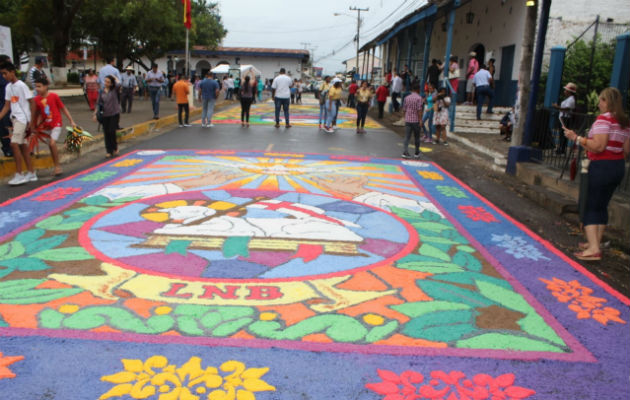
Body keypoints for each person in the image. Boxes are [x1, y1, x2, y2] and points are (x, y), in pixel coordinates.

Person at [562, 87, 630, 261]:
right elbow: (626, 150)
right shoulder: (624, 123)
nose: (599, 104)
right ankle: (595, 242)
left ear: (607, 101)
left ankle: (593, 248)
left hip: (601, 167)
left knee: (591, 205)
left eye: (601, 100)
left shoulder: (603, 120)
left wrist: (576, 138)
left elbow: (599, 146)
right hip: (617, 166)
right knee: (602, 205)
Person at [0, 61, 37, 185]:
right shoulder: (8, 87)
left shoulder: (21, 86)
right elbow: (7, 105)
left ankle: (19, 174)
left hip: (22, 119)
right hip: (15, 119)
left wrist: (31, 121)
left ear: (12, 72)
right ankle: (31, 172)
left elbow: (32, 102)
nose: (4, 76)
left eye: (5, 73)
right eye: (2, 74)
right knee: (22, 147)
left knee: (14, 144)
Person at [32, 77, 76, 175]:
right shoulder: (36, 99)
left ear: (46, 86)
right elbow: (37, 114)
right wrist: (34, 126)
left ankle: (57, 166)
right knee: (51, 147)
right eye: (36, 87)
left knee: (52, 143)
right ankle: (56, 165)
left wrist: (71, 121)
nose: (37, 89)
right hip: (45, 126)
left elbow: (63, 108)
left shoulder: (54, 96)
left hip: (56, 123)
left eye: (39, 86)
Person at [93, 75, 121, 158]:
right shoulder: (102, 91)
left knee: (112, 131)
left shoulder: (114, 90)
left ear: (112, 83)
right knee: (106, 133)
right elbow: (99, 103)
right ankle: (108, 150)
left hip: (114, 114)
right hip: (105, 114)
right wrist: (95, 113)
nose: (106, 83)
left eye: (108, 82)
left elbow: (119, 84)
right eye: (105, 81)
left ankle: (115, 148)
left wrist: (114, 76)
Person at [553, 82, 577, 154]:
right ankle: (561, 148)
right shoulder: (569, 99)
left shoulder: (571, 100)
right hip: (563, 118)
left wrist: (557, 107)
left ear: (569, 92)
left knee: (563, 134)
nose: (564, 91)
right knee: (561, 134)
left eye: (566, 90)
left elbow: (567, 109)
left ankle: (562, 149)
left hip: (565, 118)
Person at [401, 82, 424, 159]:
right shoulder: (419, 98)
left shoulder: (406, 98)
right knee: (417, 137)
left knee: (407, 137)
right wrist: (420, 120)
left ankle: (405, 152)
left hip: (408, 120)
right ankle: (416, 152)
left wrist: (404, 118)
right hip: (416, 120)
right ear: (418, 89)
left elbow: (404, 109)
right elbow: (419, 110)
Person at [0, 55, 13, 158]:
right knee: (4, 129)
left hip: (10, 106)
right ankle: (7, 149)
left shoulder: (8, 77)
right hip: (2, 107)